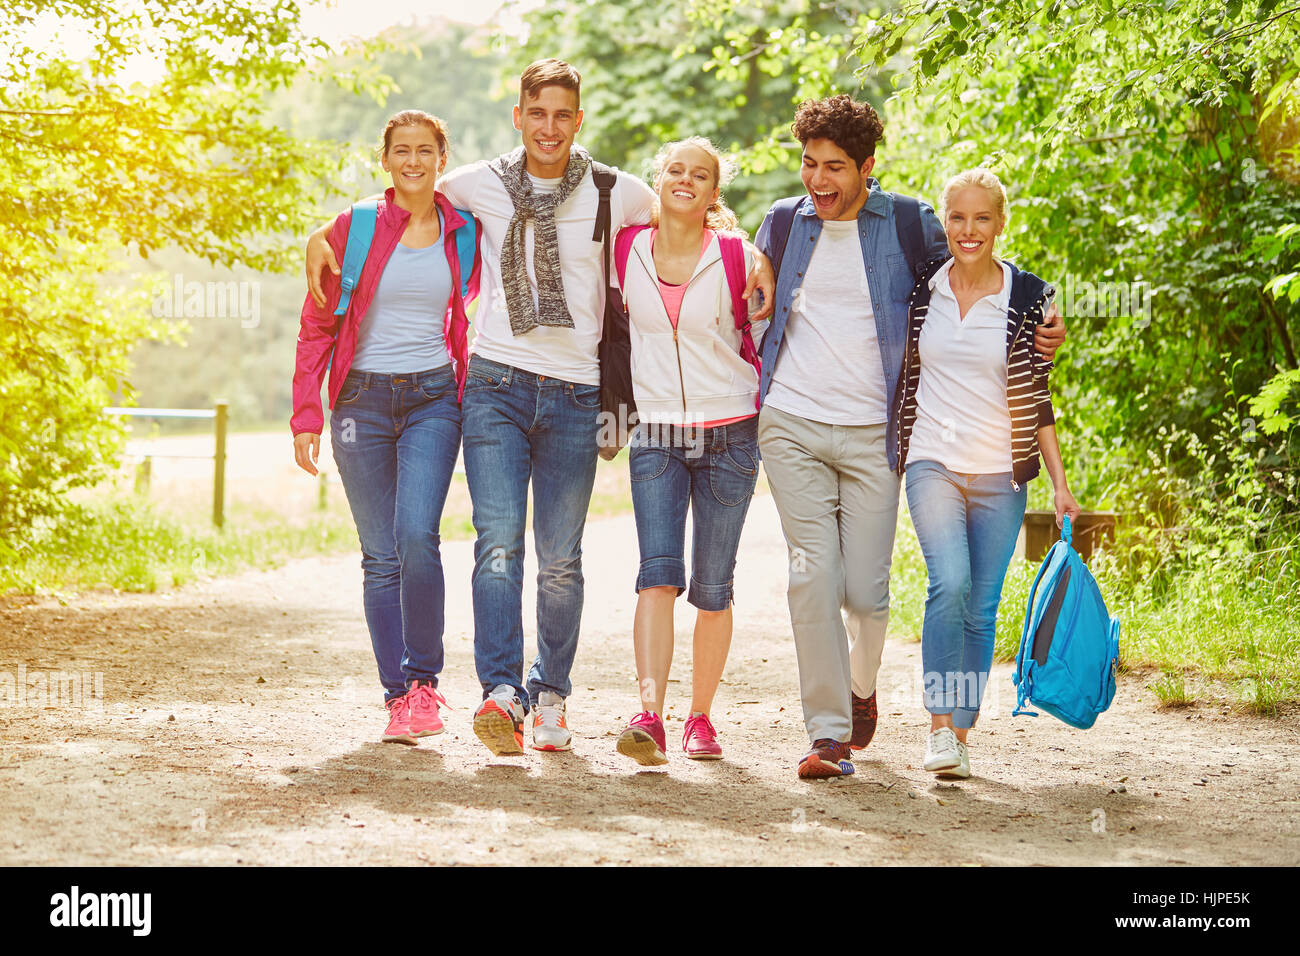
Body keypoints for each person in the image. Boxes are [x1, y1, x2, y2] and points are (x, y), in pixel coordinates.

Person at [305, 60, 775, 757]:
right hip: (495, 386)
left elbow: (691, 215)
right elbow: (408, 194)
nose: (549, 127)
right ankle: (501, 693)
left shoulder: (619, 190)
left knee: (560, 558)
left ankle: (550, 691)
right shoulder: (479, 183)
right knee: (497, 546)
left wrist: (756, 256)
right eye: (537, 113)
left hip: (577, 395)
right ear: (518, 118)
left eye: (563, 114)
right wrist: (325, 234)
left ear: (577, 121)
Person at [753, 95, 1067, 779]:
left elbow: (977, 274)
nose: (817, 181)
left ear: (868, 166)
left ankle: (862, 691)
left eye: (834, 167)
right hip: (792, 421)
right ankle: (829, 736)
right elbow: (745, 273)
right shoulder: (781, 222)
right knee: (813, 579)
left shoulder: (905, 223)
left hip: (875, 434)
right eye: (808, 164)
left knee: (866, 597)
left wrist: (1046, 318)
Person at [291, 110, 480, 744]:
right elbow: (317, 322)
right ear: (386, 160)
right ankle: (398, 696)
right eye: (401, 151)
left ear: (441, 158)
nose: (413, 162)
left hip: (433, 398)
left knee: (415, 535)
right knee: (380, 557)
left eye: (425, 150)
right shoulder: (357, 226)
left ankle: (425, 682)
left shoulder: (464, 229)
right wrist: (306, 414)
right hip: (359, 404)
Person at [896, 167, 1080, 779]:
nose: (968, 230)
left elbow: (1040, 393)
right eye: (957, 217)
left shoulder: (1028, 296)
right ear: (943, 222)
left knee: (982, 604)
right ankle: (937, 727)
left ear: (1001, 224)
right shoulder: (924, 284)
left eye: (982, 218)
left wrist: (1058, 482)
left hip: (1002, 471)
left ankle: (962, 733)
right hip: (933, 461)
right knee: (948, 582)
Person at [611, 138, 765, 766]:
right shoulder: (626, 248)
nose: (685, 180)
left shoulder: (735, 254)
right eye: (675, 169)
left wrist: (755, 253)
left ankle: (700, 719)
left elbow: (765, 326)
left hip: (730, 431)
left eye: (699, 174)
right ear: (660, 180)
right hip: (656, 434)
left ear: (712, 191)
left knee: (713, 585)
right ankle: (650, 715)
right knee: (658, 576)